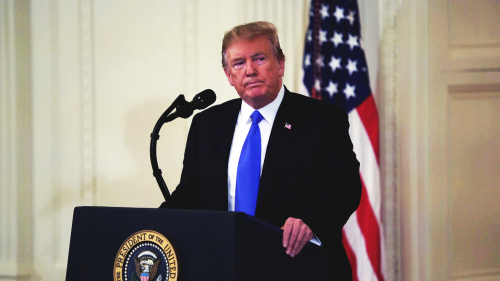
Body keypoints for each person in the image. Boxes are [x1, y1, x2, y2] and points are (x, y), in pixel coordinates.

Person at [160, 21, 361, 280]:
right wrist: (149, 225)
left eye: (259, 58)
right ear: (228, 75)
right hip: (226, 268)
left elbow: (344, 186)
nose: (250, 71)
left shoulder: (321, 119)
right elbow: (191, 194)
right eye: (239, 63)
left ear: (280, 64)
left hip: (299, 267)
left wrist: (311, 222)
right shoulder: (208, 125)